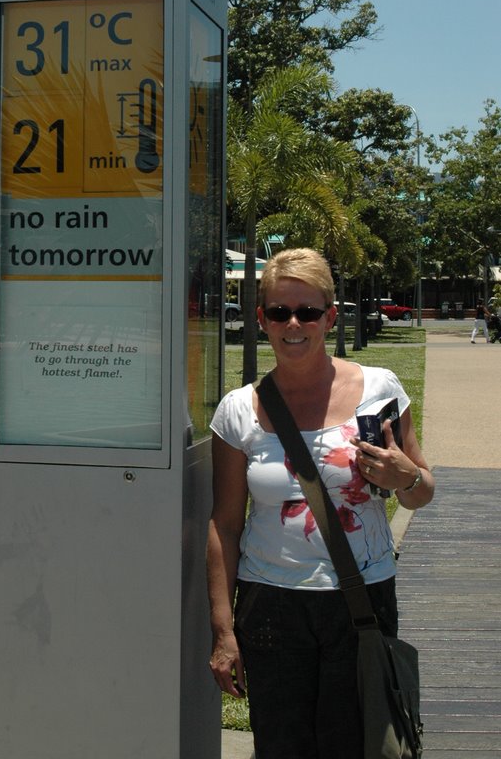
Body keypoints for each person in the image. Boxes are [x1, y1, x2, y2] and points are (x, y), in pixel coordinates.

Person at [207, 248, 434, 759]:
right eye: (278, 312)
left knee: (356, 744)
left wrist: (406, 477)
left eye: (307, 312)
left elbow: (422, 491)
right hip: (270, 605)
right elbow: (224, 525)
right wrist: (224, 631)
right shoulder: (238, 411)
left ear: (330, 317)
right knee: (282, 747)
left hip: (361, 601)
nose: (293, 324)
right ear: (260, 318)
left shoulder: (380, 390)